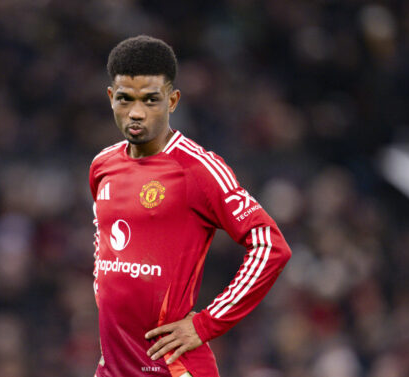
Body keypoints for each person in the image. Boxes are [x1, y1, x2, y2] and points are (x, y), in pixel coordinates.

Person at [89, 35, 292, 377]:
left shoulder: (198, 170)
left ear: (173, 100)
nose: (136, 112)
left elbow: (271, 246)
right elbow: (108, 248)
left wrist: (204, 325)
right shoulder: (102, 166)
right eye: (125, 99)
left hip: (174, 369)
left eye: (150, 100)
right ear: (111, 98)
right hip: (114, 368)